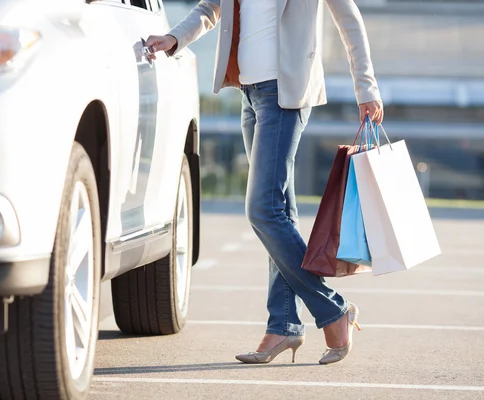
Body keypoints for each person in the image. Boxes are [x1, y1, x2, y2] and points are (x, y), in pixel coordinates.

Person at [145, 0, 384, 365]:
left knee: (263, 209)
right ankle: (284, 324)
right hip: (248, 92)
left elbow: (349, 19)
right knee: (280, 213)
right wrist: (175, 38)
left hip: (285, 94)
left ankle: (333, 310)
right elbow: (212, 7)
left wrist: (366, 88)